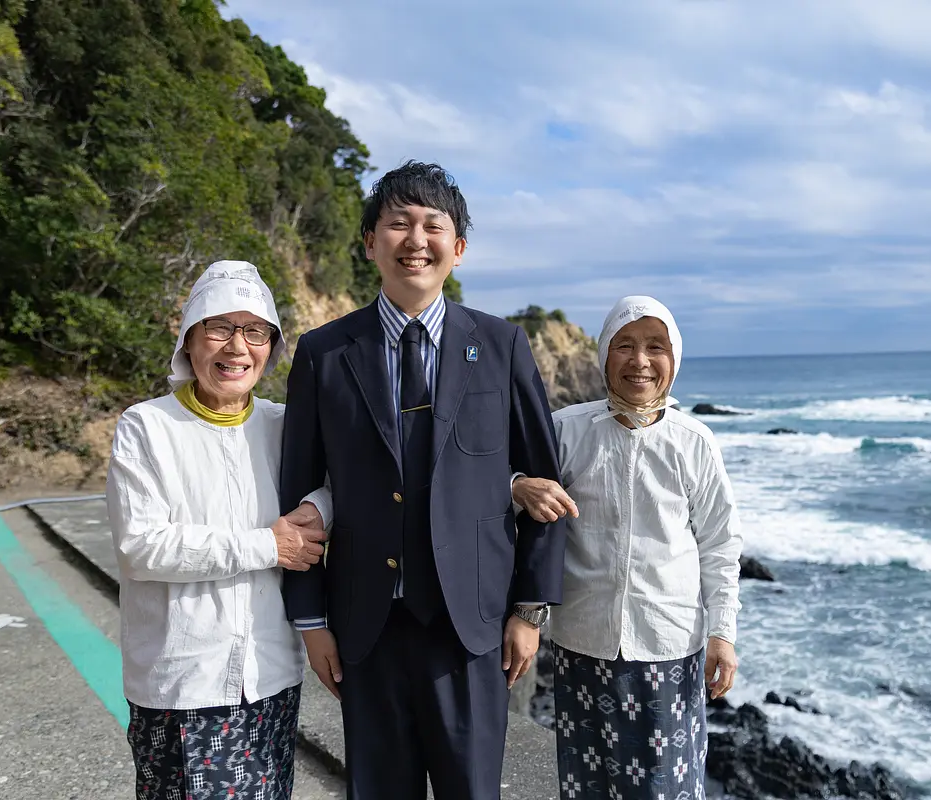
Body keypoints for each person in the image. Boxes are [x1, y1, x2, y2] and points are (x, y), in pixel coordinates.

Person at [279, 161, 567, 800]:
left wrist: (529, 607)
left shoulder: (501, 346)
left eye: (433, 226)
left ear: (457, 248)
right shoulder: (324, 353)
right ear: (369, 243)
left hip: (471, 628)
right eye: (397, 223)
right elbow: (297, 494)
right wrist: (309, 619)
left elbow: (547, 485)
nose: (416, 239)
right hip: (365, 626)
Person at [107, 260, 331, 800]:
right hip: (182, 680)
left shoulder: (284, 425)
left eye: (254, 331)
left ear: (271, 347)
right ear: (189, 341)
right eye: (219, 327)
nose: (237, 347)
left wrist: (322, 508)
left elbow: (346, 482)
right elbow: (142, 545)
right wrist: (267, 545)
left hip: (270, 674)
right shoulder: (147, 426)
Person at [511, 295, 743, 800]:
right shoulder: (568, 430)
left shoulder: (694, 441)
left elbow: (720, 544)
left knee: (665, 786)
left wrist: (723, 632)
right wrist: (515, 485)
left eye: (655, 347)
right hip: (582, 642)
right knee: (586, 783)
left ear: (674, 358)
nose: (640, 361)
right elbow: (527, 518)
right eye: (626, 346)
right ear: (604, 356)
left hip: (670, 647)